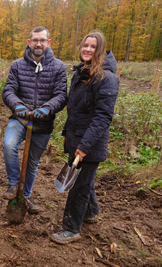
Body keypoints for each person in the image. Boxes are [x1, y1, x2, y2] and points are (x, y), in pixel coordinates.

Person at [50, 31, 119, 244]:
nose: (87, 49)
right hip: (76, 138)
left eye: (93, 46)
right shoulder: (81, 73)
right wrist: (67, 136)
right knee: (84, 180)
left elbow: (102, 117)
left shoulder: (106, 79)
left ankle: (71, 229)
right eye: (85, 45)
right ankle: (90, 212)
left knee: (78, 185)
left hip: (89, 143)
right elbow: (75, 110)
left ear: (100, 51)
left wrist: (85, 145)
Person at [2, 26, 67, 213]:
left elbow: (61, 95)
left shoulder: (58, 67)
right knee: (9, 145)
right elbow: (8, 90)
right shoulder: (17, 65)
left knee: (32, 162)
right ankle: (13, 184)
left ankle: (25, 197)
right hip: (20, 119)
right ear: (29, 42)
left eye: (42, 40)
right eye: (35, 40)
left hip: (43, 123)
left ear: (49, 42)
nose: (39, 44)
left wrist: (47, 108)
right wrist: (17, 105)